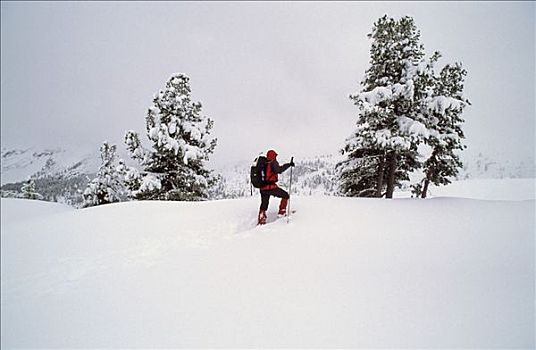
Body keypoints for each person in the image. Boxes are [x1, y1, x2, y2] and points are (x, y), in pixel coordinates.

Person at [258, 149, 295, 225]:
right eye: (275, 156)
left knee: (264, 203)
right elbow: (279, 170)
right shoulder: (273, 162)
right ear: (273, 156)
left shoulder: (264, 163)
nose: (276, 157)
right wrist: (289, 165)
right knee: (285, 195)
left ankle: (261, 218)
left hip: (262, 187)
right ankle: (282, 212)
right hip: (270, 187)